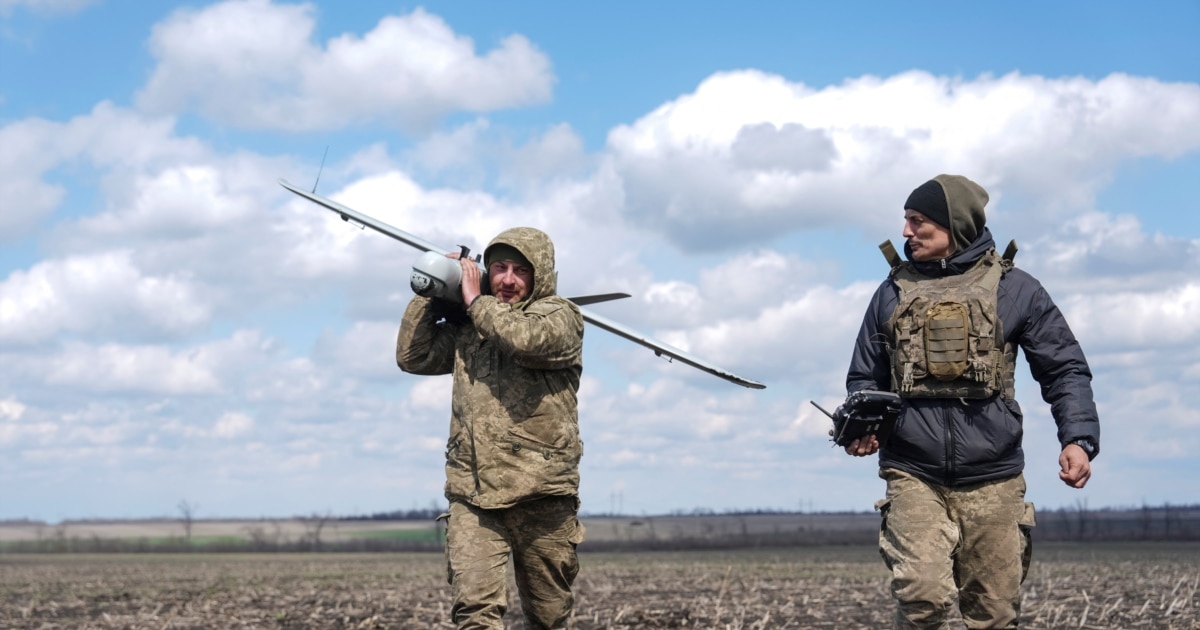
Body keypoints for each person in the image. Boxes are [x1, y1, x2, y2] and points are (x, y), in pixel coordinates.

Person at [843, 174, 1100, 629]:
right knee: (922, 598)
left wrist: (1078, 439)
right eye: (906, 220)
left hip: (994, 476)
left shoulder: (1016, 289)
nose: (906, 231)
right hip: (913, 472)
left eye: (918, 221)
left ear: (955, 224)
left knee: (994, 615)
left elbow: (1064, 369)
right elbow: (865, 378)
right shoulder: (891, 292)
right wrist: (862, 427)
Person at [396, 227, 586, 630]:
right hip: (474, 494)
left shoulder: (561, 318)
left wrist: (475, 301)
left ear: (541, 275)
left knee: (548, 618)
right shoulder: (472, 329)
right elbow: (414, 356)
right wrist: (431, 291)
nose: (508, 280)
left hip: (541, 497)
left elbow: (524, 339)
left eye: (521, 271)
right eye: (499, 268)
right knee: (475, 613)